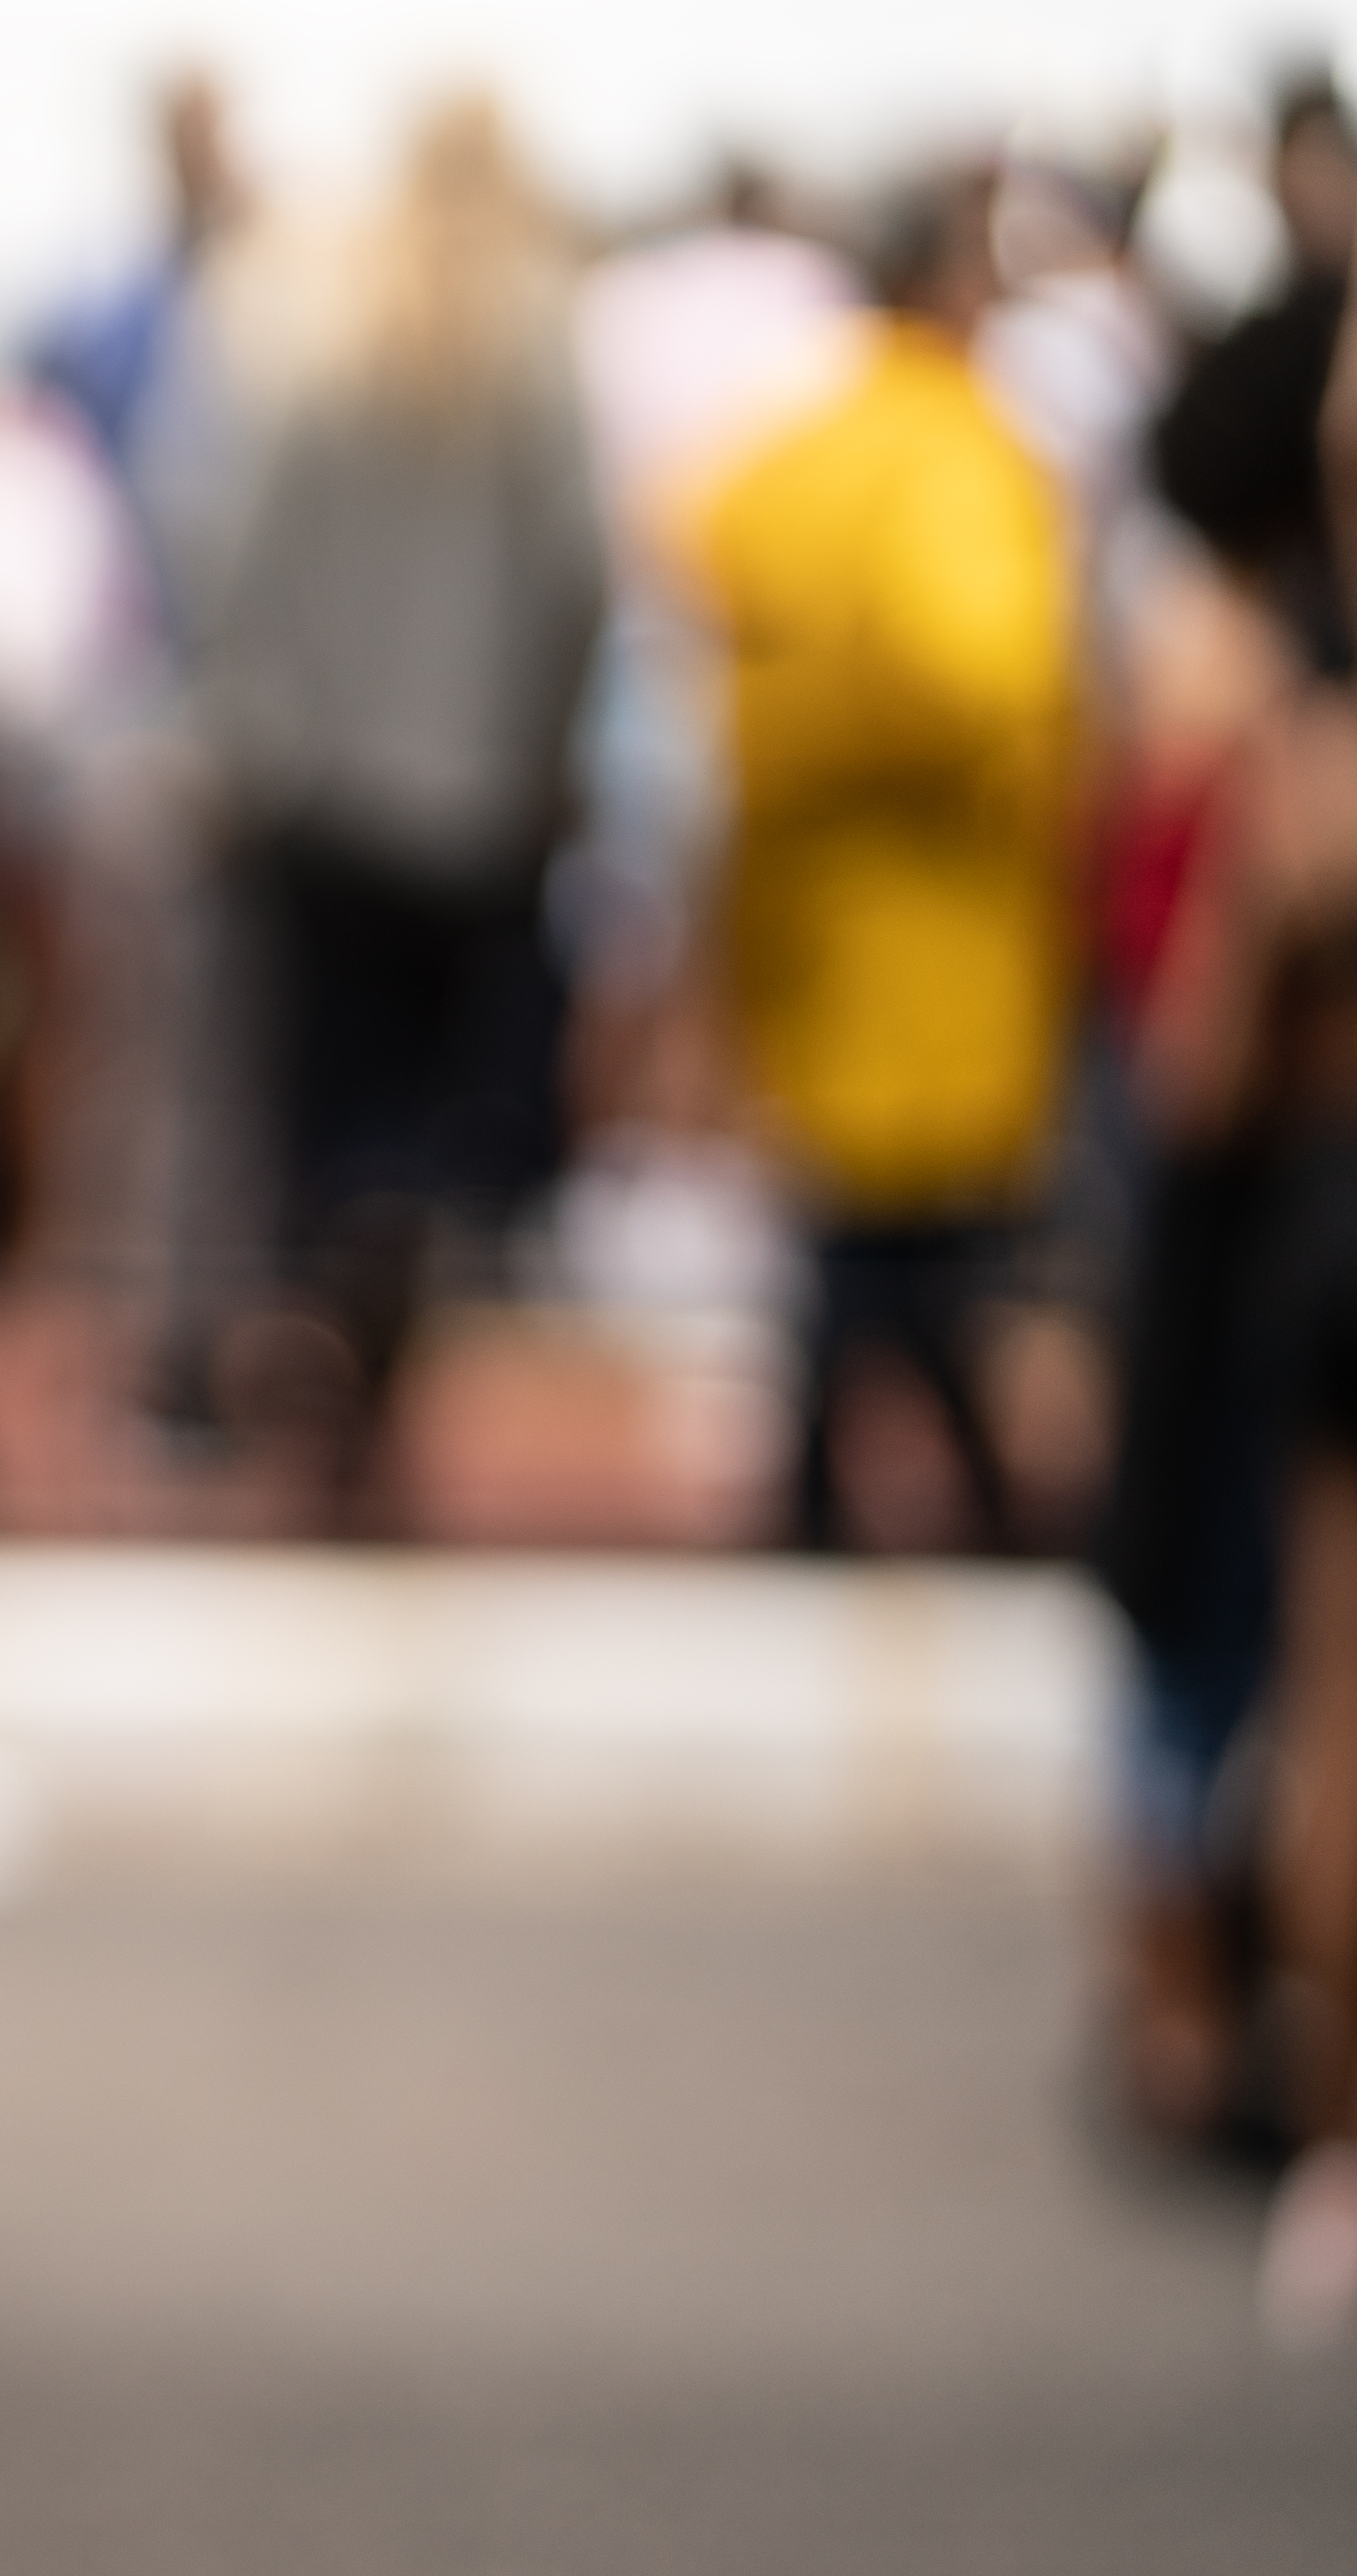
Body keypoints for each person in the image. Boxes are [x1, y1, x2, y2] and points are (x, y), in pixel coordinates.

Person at [165, 90, 608, 1525]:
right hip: (478, 805)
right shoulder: (536, 336)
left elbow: (239, 550)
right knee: (434, 1113)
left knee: (329, 1112)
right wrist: (547, 751)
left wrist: (258, 733)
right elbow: (580, 570)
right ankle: (382, 1366)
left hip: (327, 798)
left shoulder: (321, 323)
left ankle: (338, 1364)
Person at [694, 169, 1080, 1555]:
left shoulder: (794, 446)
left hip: (805, 912)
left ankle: (824, 1496)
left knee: (855, 1239)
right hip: (935, 921)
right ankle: (933, 1504)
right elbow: (977, 669)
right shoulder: (960, 453)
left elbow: (704, 560)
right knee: (906, 1248)